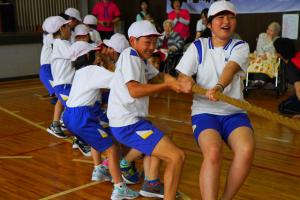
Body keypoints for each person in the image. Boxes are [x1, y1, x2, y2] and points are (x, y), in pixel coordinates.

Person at [176, 1, 255, 200]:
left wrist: (218, 87)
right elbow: (183, 74)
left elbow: (231, 68)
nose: (226, 21)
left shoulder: (240, 46)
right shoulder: (198, 46)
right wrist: (185, 80)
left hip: (234, 112)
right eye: (220, 17)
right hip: (205, 112)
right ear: (209, 24)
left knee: (246, 150)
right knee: (212, 152)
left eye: (230, 17)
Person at [107, 20, 185, 200]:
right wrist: (168, 86)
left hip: (134, 121)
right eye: (147, 42)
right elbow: (134, 90)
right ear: (133, 41)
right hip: (127, 125)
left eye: (154, 42)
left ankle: (152, 183)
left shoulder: (140, 59)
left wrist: (173, 81)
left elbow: (158, 76)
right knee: (176, 157)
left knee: (166, 131)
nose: (152, 47)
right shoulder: (131, 56)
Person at [63, 41, 139, 200]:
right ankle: (119, 188)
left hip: (71, 115)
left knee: (100, 136)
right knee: (112, 149)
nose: (98, 54)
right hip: (81, 116)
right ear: (87, 56)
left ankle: (99, 169)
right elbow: (117, 81)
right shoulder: (92, 70)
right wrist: (111, 63)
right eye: (95, 53)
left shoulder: (80, 72)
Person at [247, 22, 281, 87]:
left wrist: (271, 40)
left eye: (271, 31)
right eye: (268, 29)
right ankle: (257, 80)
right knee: (258, 62)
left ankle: (262, 80)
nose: (268, 31)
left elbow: (273, 51)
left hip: (271, 58)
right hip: (259, 55)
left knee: (267, 64)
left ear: (276, 32)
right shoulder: (262, 35)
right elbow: (259, 47)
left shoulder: (277, 39)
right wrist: (262, 54)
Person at [274, 38, 300, 115]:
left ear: (280, 53)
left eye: (275, 50)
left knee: (282, 107)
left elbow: (299, 89)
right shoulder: (296, 55)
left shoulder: (291, 68)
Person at [39, 17, 55, 99]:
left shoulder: (47, 36)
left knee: (57, 93)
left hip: (50, 67)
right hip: (47, 68)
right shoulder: (50, 37)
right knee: (57, 92)